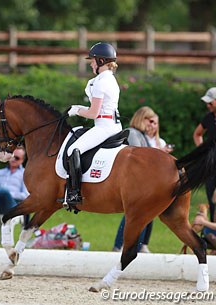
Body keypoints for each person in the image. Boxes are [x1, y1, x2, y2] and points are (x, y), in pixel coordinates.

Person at [66, 42, 122, 206]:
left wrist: (77, 110)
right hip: (114, 124)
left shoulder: (100, 82)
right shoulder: (110, 79)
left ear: (101, 61)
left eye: (92, 60)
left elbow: (93, 113)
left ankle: (74, 193)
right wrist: (81, 107)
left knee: (73, 149)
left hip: (104, 127)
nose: (91, 63)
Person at [112, 106, 156, 253]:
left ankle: (141, 245)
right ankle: (121, 246)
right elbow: (140, 157)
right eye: (149, 120)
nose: (152, 124)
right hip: (132, 181)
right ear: (141, 119)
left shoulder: (142, 135)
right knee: (136, 214)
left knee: (147, 212)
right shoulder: (133, 133)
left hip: (141, 181)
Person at [193, 87, 216, 222]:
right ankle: (212, 232)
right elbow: (197, 134)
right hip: (211, 164)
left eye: (210, 103)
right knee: (210, 196)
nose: (207, 106)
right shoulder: (208, 118)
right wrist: (203, 151)